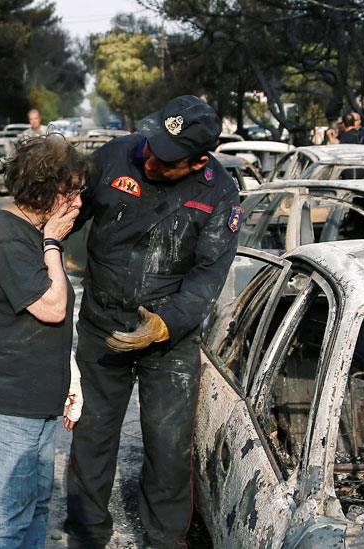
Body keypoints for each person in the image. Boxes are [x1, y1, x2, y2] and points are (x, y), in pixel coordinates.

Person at [65, 95, 240, 548]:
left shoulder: (219, 192)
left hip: (169, 341)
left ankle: (164, 539)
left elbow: (208, 276)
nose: (149, 156)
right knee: (92, 434)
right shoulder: (114, 156)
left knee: (167, 448)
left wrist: (166, 324)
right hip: (102, 324)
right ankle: (86, 531)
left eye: (163, 156)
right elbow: (67, 215)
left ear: (198, 160)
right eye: (150, 142)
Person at [0, 135, 86, 548]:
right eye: (73, 191)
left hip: (34, 401)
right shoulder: (10, 237)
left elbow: (50, 331)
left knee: (35, 510)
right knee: (4, 522)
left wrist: (68, 378)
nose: (79, 202)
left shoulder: (29, 230)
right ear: (45, 191)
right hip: (3, 404)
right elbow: (52, 308)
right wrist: (53, 243)